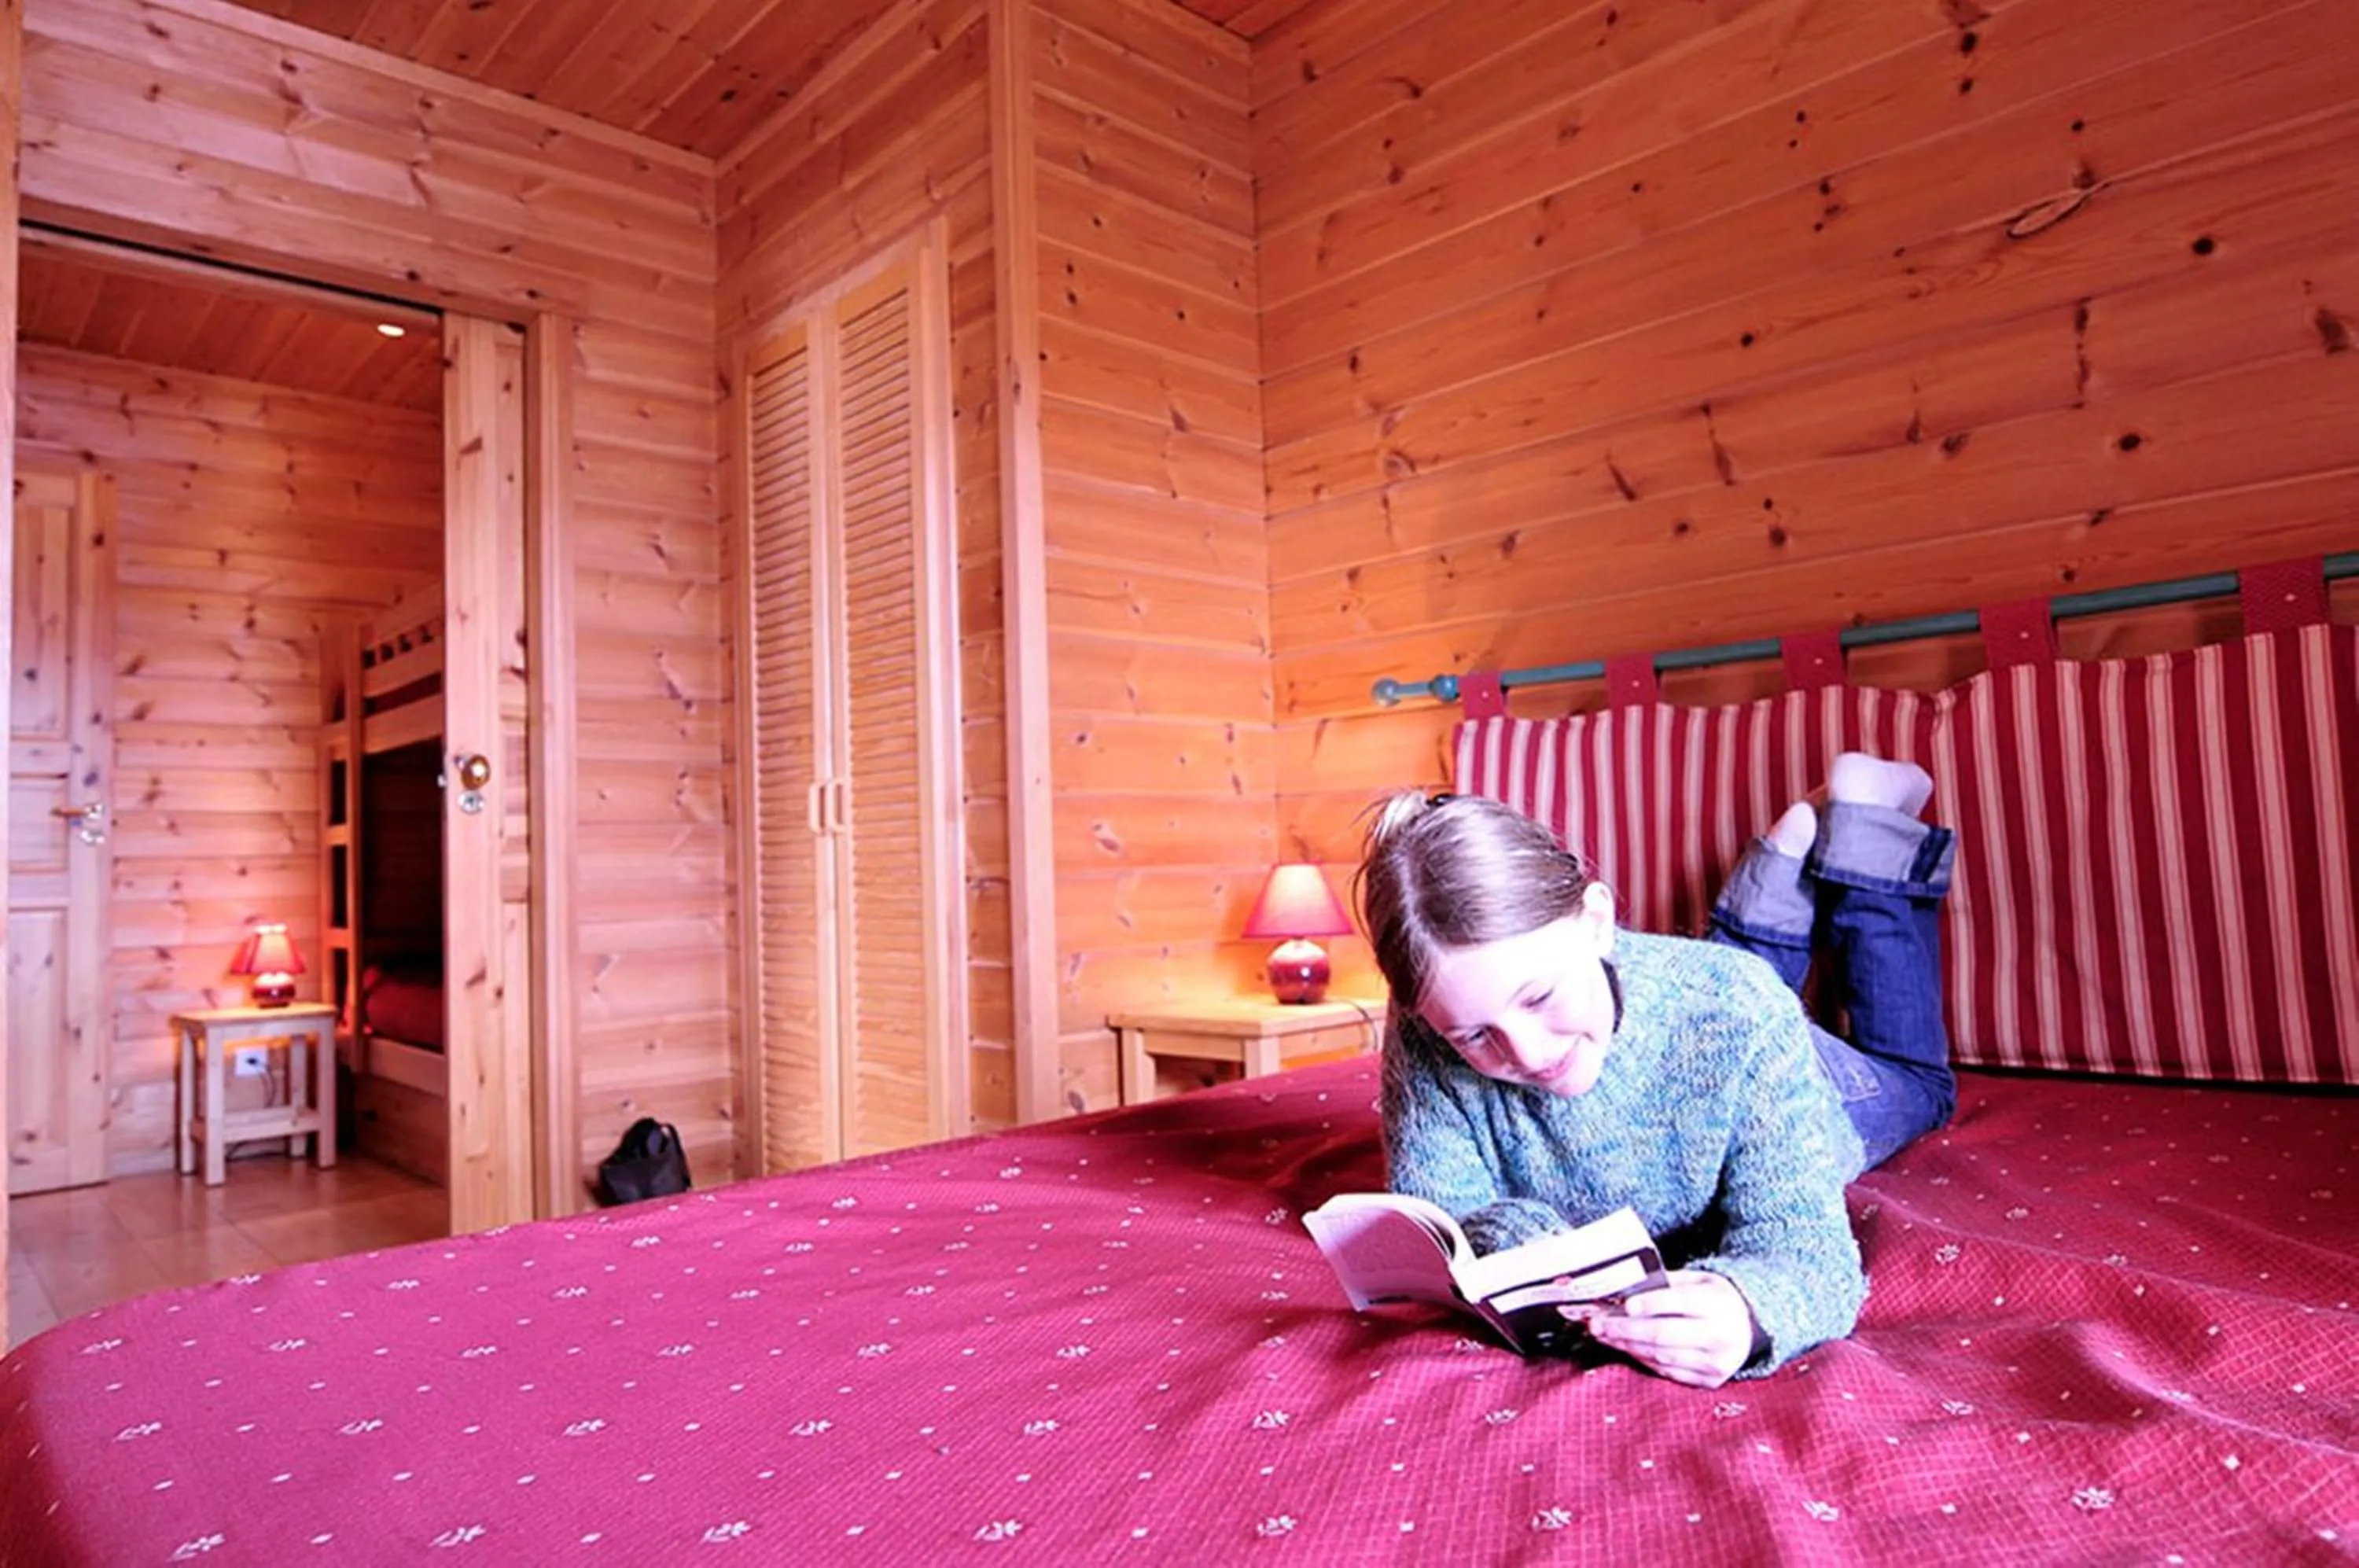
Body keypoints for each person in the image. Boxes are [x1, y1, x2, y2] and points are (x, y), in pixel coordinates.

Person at [1356, 753, 1956, 1386]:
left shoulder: (1738, 1010)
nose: (1528, 1055)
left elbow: (1808, 1254)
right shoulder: (1436, 1006)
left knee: (1920, 1086)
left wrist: (1751, 1312)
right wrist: (1533, 1252)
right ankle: (1779, 863)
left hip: (1805, 1075)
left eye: (1538, 997)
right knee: (1717, 994)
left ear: (1596, 922)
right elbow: (1445, 1217)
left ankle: (1865, 829)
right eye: (1475, 1035)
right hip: (1695, 1010)